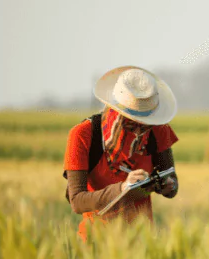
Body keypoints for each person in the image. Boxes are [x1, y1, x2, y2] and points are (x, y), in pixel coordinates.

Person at [63, 66, 179, 242]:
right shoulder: (83, 135)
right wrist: (123, 188)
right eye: (134, 122)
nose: (141, 131)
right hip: (95, 243)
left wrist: (166, 184)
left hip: (143, 243)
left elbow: (171, 183)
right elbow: (77, 202)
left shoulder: (158, 131)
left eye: (146, 122)